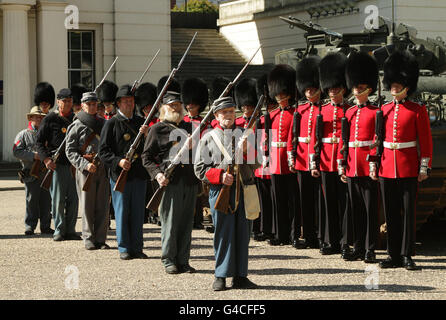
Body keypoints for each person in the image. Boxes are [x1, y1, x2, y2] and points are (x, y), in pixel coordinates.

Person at [194, 96, 260, 291]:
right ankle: (221, 275)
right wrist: (220, 176)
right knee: (223, 234)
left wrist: (247, 152)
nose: (229, 115)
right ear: (216, 115)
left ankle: (240, 276)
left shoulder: (245, 135)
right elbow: (199, 169)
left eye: (231, 112)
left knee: (243, 233)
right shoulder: (208, 137)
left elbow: (258, 163)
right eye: (224, 112)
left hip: (244, 189)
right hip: (221, 190)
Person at [379, 50, 432, 271]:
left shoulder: (417, 111)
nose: (393, 88)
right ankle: (393, 255)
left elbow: (426, 141)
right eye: (391, 85)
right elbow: (378, 139)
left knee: (408, 213)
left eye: (397, 85)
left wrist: (424, 167)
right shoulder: (384, 110)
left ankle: (408, 254)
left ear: (406, 87)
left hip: (409, 167)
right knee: (391, 213)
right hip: (386, 167)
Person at [142, 91, 199, 274]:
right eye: (172, 105)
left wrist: (193, 147)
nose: (176, 108)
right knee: (171, 222)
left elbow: (200, 155)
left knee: (186, 223)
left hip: (189, 179)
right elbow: (147, 157)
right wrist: (158, 174)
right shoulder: (157, 129)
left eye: (178, 104)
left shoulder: (190, 128)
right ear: (164, 108)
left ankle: (183, 260)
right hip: (170, 180)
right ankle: (168, 259)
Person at [98, 84, 149, 260]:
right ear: (118, 103)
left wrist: (147, 135)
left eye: (131, 101)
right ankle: (124, 247)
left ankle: (137, 247)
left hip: (139, 174)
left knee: (137, 214)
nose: (129, 104)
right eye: (125, 101)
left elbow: (148, 150)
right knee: (122, 212)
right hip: (120, 175)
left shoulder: (140, 124)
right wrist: (118, 161)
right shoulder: (111, 123)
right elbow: (103, 152)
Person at [310, 53, 352, 257]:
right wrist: (314, 162)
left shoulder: (350, 110)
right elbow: (314, 139)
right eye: (330, 89)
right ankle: (330, 240)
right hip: (326, 160)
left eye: (337, 89)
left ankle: (345, 241)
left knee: (345, 203)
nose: (333, 92)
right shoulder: (323, 111)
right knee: (328, 202)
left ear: (343, 89)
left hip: (344, 162)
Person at [340, 51, 380, 263]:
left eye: (360, 88)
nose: (356, 91)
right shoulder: (348, 113)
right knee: (354, 210)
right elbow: (344, 142)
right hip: (352, 167)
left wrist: (373, 164)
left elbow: (376, 140)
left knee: (370, 210)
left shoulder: (375, 112)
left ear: (369, 90)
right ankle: (357, 246)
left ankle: (370, 248)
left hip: (367, 169)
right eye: (355, 88)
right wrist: (342, 165)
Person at [65, 92, 110, 250]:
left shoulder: (104, 124)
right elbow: (70, 151)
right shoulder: (76, 125)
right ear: (83, 105)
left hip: (102, 168)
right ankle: (88, 237)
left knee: (103, 205)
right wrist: (84, 164)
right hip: (86, 169)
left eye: (94, 104)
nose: (92, 107)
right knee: (87, 205)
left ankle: (100, 238)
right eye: (88, 104)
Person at [36, 88, 80, 242]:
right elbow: (39, 142)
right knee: (58, 199)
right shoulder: (50, 119)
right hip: (58, 165)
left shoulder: (77, 119)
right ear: (58, 102)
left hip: (74, 165)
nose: (67, 104)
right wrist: (46, 160)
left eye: (70, 101)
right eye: (64, 101)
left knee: (74, 200)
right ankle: (60, 230)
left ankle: (71, 230)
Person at [288, 56, 322, 250]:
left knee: (319, 201)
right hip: (302, 159)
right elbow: (293, 136)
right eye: (307, 89)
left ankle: (317, 234)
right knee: (303, 200)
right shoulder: (300, 110)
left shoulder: (323, 109)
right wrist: (292, 156)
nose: (309, 92)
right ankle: (306, 234)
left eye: (312, 88)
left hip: (319, 160)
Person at [267, 64, 300, 247]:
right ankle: (281, 234)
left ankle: (294, 234)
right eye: (277, 92)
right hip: (274, 160)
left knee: (292, 200)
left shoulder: (295, 113)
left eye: (282, 91)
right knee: (277, 200)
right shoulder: (273, 115)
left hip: (289, 161)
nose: (279, 96)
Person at [13, 106, 53, 236]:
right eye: (37, 117)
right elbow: (16, 151)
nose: (39, 119)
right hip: (31, 172)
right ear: (31, 118)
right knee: (31, 200)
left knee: (46, 201)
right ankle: (30, 226)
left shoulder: (47, 134)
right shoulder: (23, 134)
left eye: (41, 117)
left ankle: (46, 226)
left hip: (45, 172)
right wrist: (33, 155)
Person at [181, 77, 210, 230]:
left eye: (193, 103)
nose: (190, 105)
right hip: (184, 159)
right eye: (188, 103)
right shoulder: (182, 120)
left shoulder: (204, 122)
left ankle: (200, 218)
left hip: (199, 158)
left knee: (200, 192)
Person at [253, 74, 277, 242]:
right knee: (261, 200)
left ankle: (274, 229)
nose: (269, 107)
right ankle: (263, 227)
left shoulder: (278, 117)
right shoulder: (260, 119)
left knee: (274, 200)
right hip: (262, 164)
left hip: (275, 163)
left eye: (271, 104)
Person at [135, 82, 160, 225]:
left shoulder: (158, 121)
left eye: (150, 107)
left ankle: (155, 213)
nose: (148, 110)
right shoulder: (141, 122)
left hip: (155, 158)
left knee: (155, 188)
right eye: (145, 108)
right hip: (143, 159)